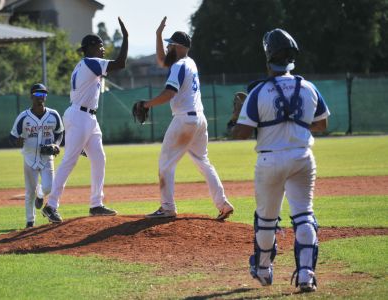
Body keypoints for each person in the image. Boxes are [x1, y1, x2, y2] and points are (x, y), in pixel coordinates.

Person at [230, 28, 330, 292]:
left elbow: (240, 134)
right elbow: (322, 125)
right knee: (304, 214)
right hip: (302, 157)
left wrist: (237, 116)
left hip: (270, 160)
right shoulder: (308, 86)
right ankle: (307, 274)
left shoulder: (259, 91)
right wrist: (295, 123)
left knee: (266, 219)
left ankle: (263, 270)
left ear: (267, 58)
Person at [142, 17, 234, 220]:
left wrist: (146, 104)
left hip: (184, 120)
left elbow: (169, 94)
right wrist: (158, 35)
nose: (167, 48)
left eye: (169, 45)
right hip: (200, 119)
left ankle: (167, 207)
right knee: (203, 161)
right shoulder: (189, 63)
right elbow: (161, 60)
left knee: (165, 163)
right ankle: (223, 203)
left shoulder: (178, 66)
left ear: (177, 46)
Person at [42, 17, 128, 223]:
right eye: (100, 45)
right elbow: (121, 64)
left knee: (99, 158)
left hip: (87, 118)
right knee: (69, 161)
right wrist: (125, 37)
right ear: (90, 47)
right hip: (80, 116)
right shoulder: (91, 62)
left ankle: (96, 204)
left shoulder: (83, 65)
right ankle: (51, 205)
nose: (103, 49)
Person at [10, 83, 64, 228]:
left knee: (49, 187)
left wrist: (56, 145)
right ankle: (30, 221)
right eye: (38, 94)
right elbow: (12, 136)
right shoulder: (24, 117)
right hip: (29, 157)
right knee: (29, 192)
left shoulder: (53, 115)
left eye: (43, 94)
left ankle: (41, 194)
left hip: (47, 157)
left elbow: (59, 132)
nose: (41, 97)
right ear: (31, 96)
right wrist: (17, 141)